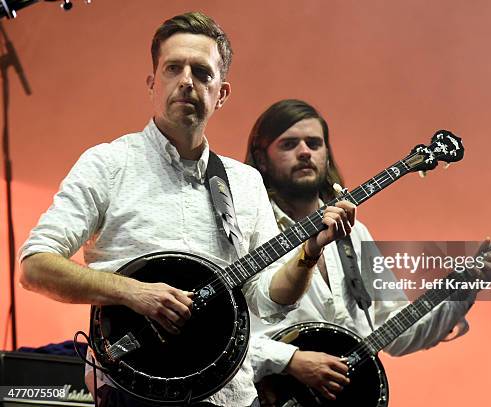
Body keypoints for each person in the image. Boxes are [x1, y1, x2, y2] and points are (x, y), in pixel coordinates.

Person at [18, 14, 355, 407]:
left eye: (202, 72)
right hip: (133, 390)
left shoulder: (244, 182)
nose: (186, 81)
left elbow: (266, 301)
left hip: (230, 395)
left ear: (222, 93)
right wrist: (135, 293)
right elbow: (36, 266)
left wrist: (309, 252)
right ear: (151, 82)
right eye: (173, 68)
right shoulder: (107, 164)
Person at [244, 99, 491, 402]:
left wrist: (467, 286)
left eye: (314, 143)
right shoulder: (250, 230)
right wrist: (290, 360)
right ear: (262, 159)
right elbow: (222, 338)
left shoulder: (354, 236)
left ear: (327, 156)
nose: (305, 152)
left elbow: (396, 330)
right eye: (289, 144)